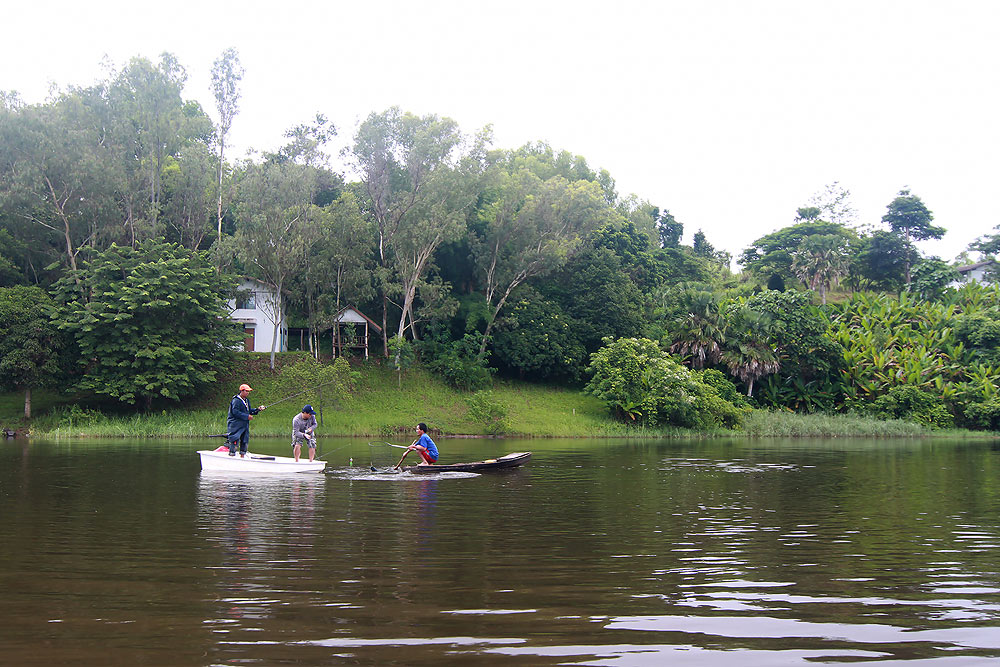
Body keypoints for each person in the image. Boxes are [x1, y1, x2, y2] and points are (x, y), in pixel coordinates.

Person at [227, 383, 266, 457]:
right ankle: (231, 455)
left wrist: (258, 409)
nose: (248, 393)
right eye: (246, 391)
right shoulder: (236, 400)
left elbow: (249, 411)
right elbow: (235, 412)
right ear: (242, 391)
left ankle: (242, 456)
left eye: (248, 391)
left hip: (244, 425)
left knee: (245, 440)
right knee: (235, 439)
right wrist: (246, 416)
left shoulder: (247, 400)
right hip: (235, 424)